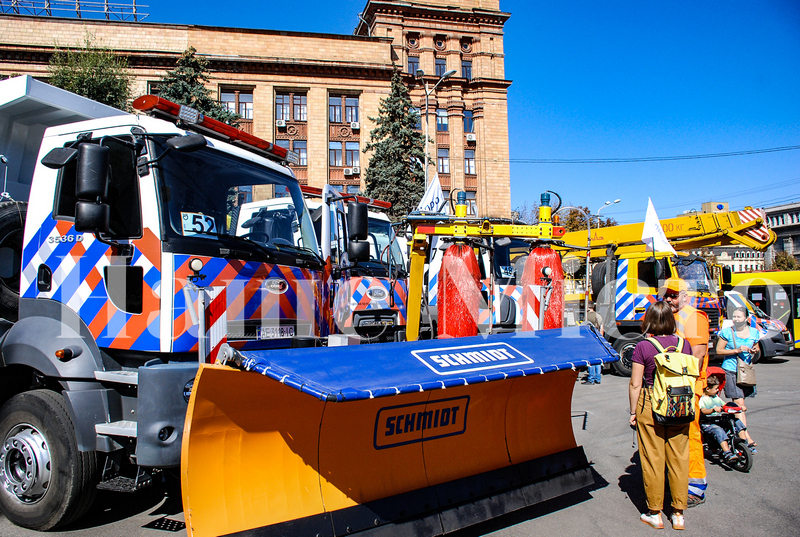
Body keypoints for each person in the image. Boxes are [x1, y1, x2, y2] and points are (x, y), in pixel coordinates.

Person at [629, 300, 692, 530]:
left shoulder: (643, 347)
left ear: (649, 321)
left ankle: (654, 513)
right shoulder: (685, 344)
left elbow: (636, 384)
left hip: (650, 403)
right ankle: (678, 514)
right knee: (679, 458)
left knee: (653, 459)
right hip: (680, 404)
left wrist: (633, 412)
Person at [661, 277, 709, 508]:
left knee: (690, 436)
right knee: (671, 437)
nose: (669, 298)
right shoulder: (667, 318)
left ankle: (695, 487)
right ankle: (676, 481)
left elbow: (697, 356)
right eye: (667, 295)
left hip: (687, 388)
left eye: (674, 295)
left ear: (685, 296)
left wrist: (686, 387)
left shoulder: (694, 318)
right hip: (667, 387)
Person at [715, 306, 759, 449]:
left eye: (739, 317)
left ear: (746, 318)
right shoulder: (727, 332)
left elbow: (756, 347)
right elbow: (718, 350)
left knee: (742, 406)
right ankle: (745, 438)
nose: (735, 319)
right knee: (740, 405)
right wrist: (736, 350)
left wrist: (754, 350)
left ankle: (740, 433)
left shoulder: (754, 332)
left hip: (746, 372)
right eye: (734, 316)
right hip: (731, 370)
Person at [699, 375, 748, 462]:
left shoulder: (715, 397)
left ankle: (744, 442)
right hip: (709, 423)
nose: (718, 390)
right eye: (716, 388)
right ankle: (727, 453)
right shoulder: (702, 399)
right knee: (719, 431)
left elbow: (725, 405)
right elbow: (703, 410)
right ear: (707, 389)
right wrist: (713, 410)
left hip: (719, 420)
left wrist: (739, 408)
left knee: (736, 421)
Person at [584, 302, 604, 385]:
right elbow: (602, 329)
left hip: (590, 340)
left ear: (588, 307)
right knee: (598, 360)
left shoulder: (587, 316)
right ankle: (598, 378)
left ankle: (591, 379)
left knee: (591, 360)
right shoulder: (598, 316)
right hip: (597, 339)